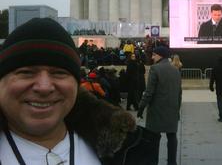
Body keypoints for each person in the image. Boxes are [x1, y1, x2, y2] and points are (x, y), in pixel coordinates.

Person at [0, 17, 160, 164]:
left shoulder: (130, 147)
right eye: (27, 73)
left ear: (76, 84)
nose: (44, 87)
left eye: (59, 73)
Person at [137, 46, 182, 165]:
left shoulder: (155, 69)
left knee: (153, 139)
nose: (152, 57)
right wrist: (177, 109)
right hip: (172, 109)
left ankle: (153, 162)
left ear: (160, 55)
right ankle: (172, 162)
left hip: (157, 110)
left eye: (154, 55)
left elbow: (149, 92)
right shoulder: (176, 70)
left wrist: (141, 107)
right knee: (172, 137)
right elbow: (179, 93)